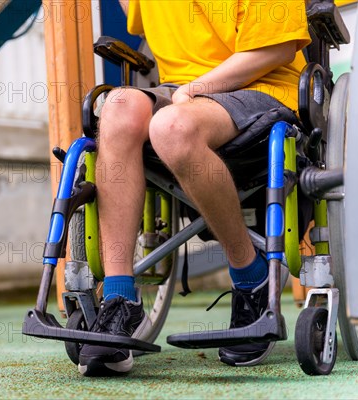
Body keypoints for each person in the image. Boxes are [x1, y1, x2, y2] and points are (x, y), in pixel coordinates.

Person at [78, 0, 311, 376]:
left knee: (171, 127)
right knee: (117, 107)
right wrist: (189, 91)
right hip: (180, 93)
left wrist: (200, 87)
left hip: (262, 88)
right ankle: (119, 298)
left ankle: (252, 278)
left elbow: (277, 47)